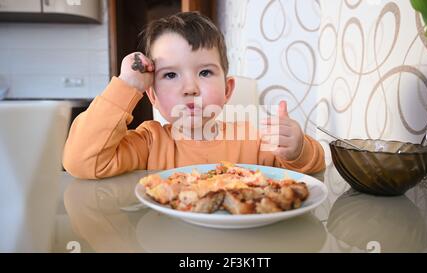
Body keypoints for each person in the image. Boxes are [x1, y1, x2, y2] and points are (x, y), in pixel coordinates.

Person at [63, 11, 325, 179]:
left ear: (227, 90)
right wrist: (126, 85)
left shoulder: (253, 140)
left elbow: (312, 167)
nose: (190, 88)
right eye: (170, 75)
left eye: (205, 73)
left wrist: (297, 149)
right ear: (152, 96)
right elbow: (81, 161)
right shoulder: (149, 143)